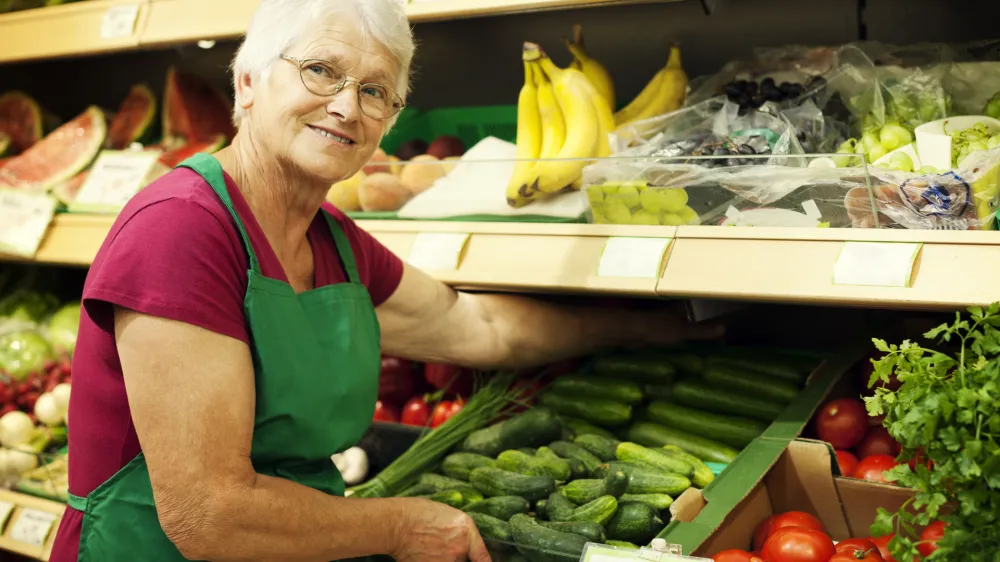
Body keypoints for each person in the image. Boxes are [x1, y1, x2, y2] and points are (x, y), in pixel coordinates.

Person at [49, 0, 720, 559]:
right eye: (321, 72)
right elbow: (207, 513)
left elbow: (476, 326)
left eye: (376, 92)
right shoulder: (182, 228)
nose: (347, 107)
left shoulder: (334, 243)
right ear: (248, 81)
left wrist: (649, 326)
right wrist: (403, 524)